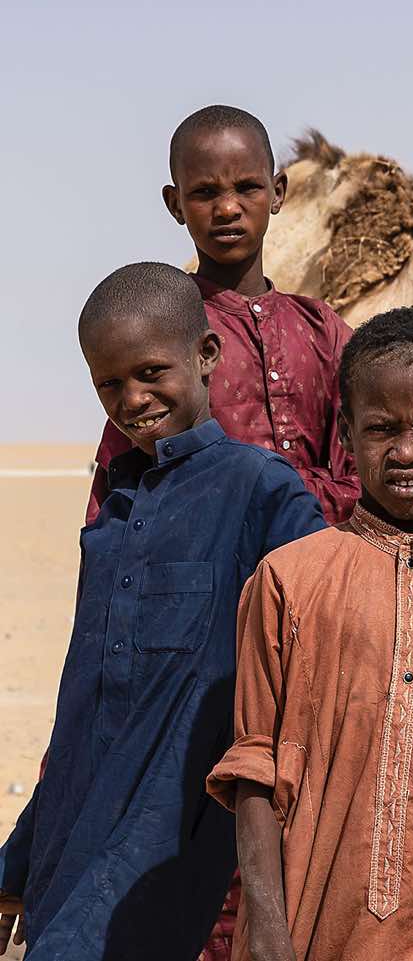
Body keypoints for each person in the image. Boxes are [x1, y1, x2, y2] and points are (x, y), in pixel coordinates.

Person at [0, 263, 326, 960]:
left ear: (205, 356)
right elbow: (82, 714)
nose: (132, 398)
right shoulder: (111, 518)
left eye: (151, 371)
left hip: (162, 857)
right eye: (109, 383)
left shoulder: (262, 494)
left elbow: (324, 640)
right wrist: (14, 868)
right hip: (65, 852)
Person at [207, 307, 413, 961]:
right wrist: (268, 935)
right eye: (382, 428)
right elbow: (254, 773)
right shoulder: (288, 579)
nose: (406, 451)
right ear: (346, 430)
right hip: (312, 918)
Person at [86, 104, 360, 527]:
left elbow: (365, 469)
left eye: (248, 187)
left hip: (321, 573)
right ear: (175, 204)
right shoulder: (162, 329)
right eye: (205, 193)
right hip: (203, 577)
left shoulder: (321, 329)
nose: (228, 208)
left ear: (278, 193)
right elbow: (120, 493)